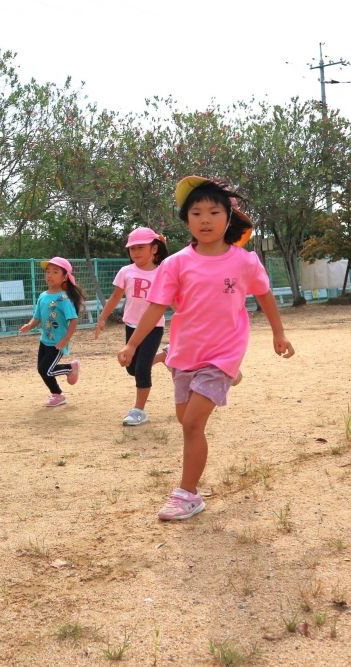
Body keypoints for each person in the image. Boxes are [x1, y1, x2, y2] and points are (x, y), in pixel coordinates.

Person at [117, 176, 294, 521]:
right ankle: (227, 380)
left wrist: (279, 334)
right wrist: (133, 344)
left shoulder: (244, 261)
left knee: (192, 424)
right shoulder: (176, 263)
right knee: (186, 419)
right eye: (196, 213)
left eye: (214, 211)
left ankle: (186, 495)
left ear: (229, 218)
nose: (205, 219)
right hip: (185, 353)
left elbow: (265, 296)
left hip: (224, 350)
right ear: (187, 221)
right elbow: (156, 307)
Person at [94, 227, 169, 425]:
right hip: (131, 325)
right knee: (132, 369)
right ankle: (164, 357)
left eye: (140, 247)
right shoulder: (125, 272)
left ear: (154, 249)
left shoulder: (163, 272)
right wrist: (102, 318)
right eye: (132, 248)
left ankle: (139, 411)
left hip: (154, 327)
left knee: (143, 369)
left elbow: (173, 300)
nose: (135, 252)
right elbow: (115, 297)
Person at [19, 257, 84, 407]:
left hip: (58, 343)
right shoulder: (43, 296)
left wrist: (65, 339)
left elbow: (73, 320)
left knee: (45, 370)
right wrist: (29, 325)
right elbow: (37, 316)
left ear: (64, 276)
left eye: (55, 272)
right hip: (44, 340)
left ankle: (70, 368)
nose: (49, 275)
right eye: (48, 271)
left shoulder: (64, 299)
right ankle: (57, 395)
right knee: (42, 370)